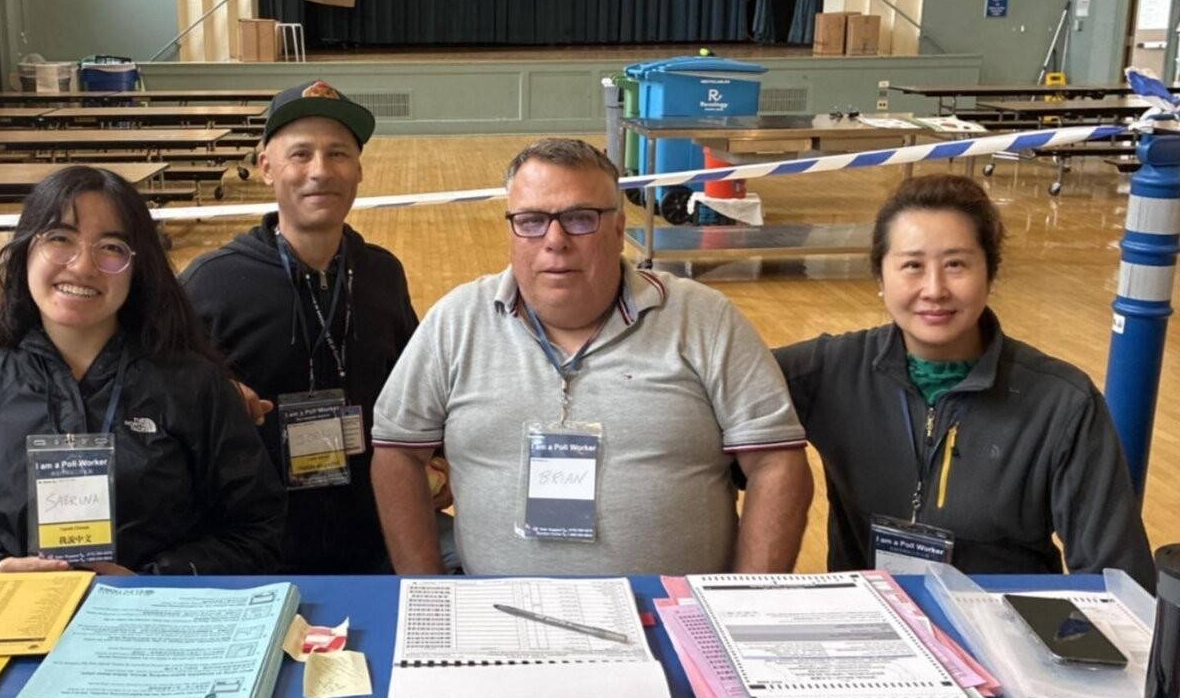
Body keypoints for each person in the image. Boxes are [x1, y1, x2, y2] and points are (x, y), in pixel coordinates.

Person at [370, 137, 812, 575]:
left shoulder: (704, 319)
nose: (555, 240)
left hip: (669, 622)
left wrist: (744, 601)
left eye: (581, 219)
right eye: (531, 220)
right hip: (499, 621)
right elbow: (396, 453)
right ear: (511, 230)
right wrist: (423, 590)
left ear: (620, 229)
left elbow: (777, 463)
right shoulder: (456, 320)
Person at [774, 173, 1157, 591]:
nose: (934, 289)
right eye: (912, 266)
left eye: (956, 264)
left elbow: (1118, 581)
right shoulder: (829, 371)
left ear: (990, 273)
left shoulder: (1061, 404)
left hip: (1006, 639)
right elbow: (713, 398)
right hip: (872, 638)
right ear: (880, 278)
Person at [0, 165, 284, 575]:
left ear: (136, 268)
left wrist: (152, 581)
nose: (82, 265)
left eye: (111, 247)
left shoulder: (195, 386)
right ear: (25, 251)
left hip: (159, 624)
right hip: (22, 629)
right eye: (59, 238)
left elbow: (257, 530)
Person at [181, 80, 423, 574]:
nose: (320, 171)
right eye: (301, 154)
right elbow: (162, 404)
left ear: (358, 169)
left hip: (374, 541)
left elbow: (414, 387)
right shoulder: (212, 283)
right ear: (267, 166)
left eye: (338, 154)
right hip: (256, 552)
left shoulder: (382, 273)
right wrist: (213, 392)